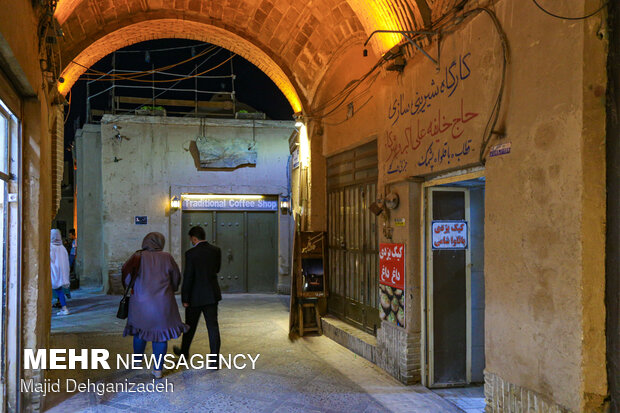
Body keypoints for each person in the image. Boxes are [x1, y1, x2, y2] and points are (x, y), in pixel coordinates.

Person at [122, 232, 188, 378]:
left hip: (140, 301)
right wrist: (172, 288)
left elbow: (127, 278)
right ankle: (158, 369)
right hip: (162, 302)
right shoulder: (167, 257)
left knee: (139, 331)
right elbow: (176, 277)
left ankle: (137, 361)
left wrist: (137, 287)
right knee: (160, 334)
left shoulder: (137, 256)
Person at [173, 226, 222, 365]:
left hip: (194, 297)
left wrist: (185, 298)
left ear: (194, 238)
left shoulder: (190, 253)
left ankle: (184, 353)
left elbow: (188, 277)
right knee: (213, 327)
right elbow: (217, 269)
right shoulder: (216, 251)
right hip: (212, 295)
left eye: (191, 239)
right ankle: (214, 360)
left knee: (189, 326)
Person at [50, 229, 71, 316]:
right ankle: (64, 308)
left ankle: (64, 308)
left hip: (53, 271)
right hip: (62, 272)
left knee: (56, 290)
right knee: (59, 290)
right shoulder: (62, 248)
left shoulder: (51, 247)